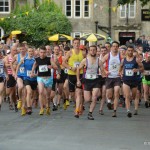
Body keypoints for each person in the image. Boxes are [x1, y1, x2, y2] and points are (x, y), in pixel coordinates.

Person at [77, 45, 105, 120]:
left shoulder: (99, 61)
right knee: (87, 99)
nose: (92, 51)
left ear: (96, 51)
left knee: (95, 96)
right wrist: (78, 80)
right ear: (89, 51)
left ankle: (90, 113)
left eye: (94, 50)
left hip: (96, 80)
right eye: (91, 50)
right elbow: (78, 69)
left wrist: (104, 74)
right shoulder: (85, 60)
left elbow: (102, 71)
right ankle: (84, 104)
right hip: (87, 80)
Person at [62, 38, 86, 117]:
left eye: (78, 43)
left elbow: (86, 62)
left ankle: (77, 110)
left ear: (79, 44)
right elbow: (63, 63)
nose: (76, 45)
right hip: (71, 74)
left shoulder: (82, 53)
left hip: (80, 74)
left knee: (78, 92)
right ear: (72, 44)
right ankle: (78, 104)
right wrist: (70, 68)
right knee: (73, 94)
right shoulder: (70, 53)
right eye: (75, 43)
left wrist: (84, 66)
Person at [31, 46, 57, 115]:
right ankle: (41, 108)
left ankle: (47, 107)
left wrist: (51, 66)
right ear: (39, 52)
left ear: (46, 53)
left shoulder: (49, 59)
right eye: (41, 52)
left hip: (48, 78)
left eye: (44, 52)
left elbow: (56, 67)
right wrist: (32, 72)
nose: (42, 54)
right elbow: (34, 65)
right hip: (40, 78)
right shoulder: (37, 59)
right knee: (41, 92)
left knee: (48, 96)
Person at [119, 46, 144, 117]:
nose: (130, 52)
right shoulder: (123, 60)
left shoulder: (136, 60)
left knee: (133, 97)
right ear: (127, 51)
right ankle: (128, 110)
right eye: (129, 50)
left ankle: (133, 107)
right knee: (127, 96)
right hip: (126, 80)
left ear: (133, 51)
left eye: (131, 51)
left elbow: (142, 68)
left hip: (134, 81)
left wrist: (137, 70)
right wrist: (120, 72)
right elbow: (120, 67)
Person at [102, 41, 122, 117]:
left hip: (117, 77)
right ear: (111, 47)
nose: (115, 48)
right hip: (109, 77)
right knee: (109, 95)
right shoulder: (107, 56)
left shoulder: (120, 56)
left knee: (116, 91)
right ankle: (109, 101)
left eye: (116, 46)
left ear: (118, 47)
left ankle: (114, 111)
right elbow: (100, 65)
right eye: (113, 46)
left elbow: (124, 65)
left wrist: (121, 71)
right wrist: (105, 71)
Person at [4, 46, 18, 111]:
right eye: (14, 50)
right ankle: (14, 103)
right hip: (10, 74)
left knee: (13, 91)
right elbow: (5, 65)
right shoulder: (7, 57)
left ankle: (12, 103)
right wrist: (12, 64)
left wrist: (15, 65)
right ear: (11, 50)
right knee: (8, 91)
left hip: (16, 75)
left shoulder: (17, 57)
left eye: (16, 50)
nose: (15, 52)